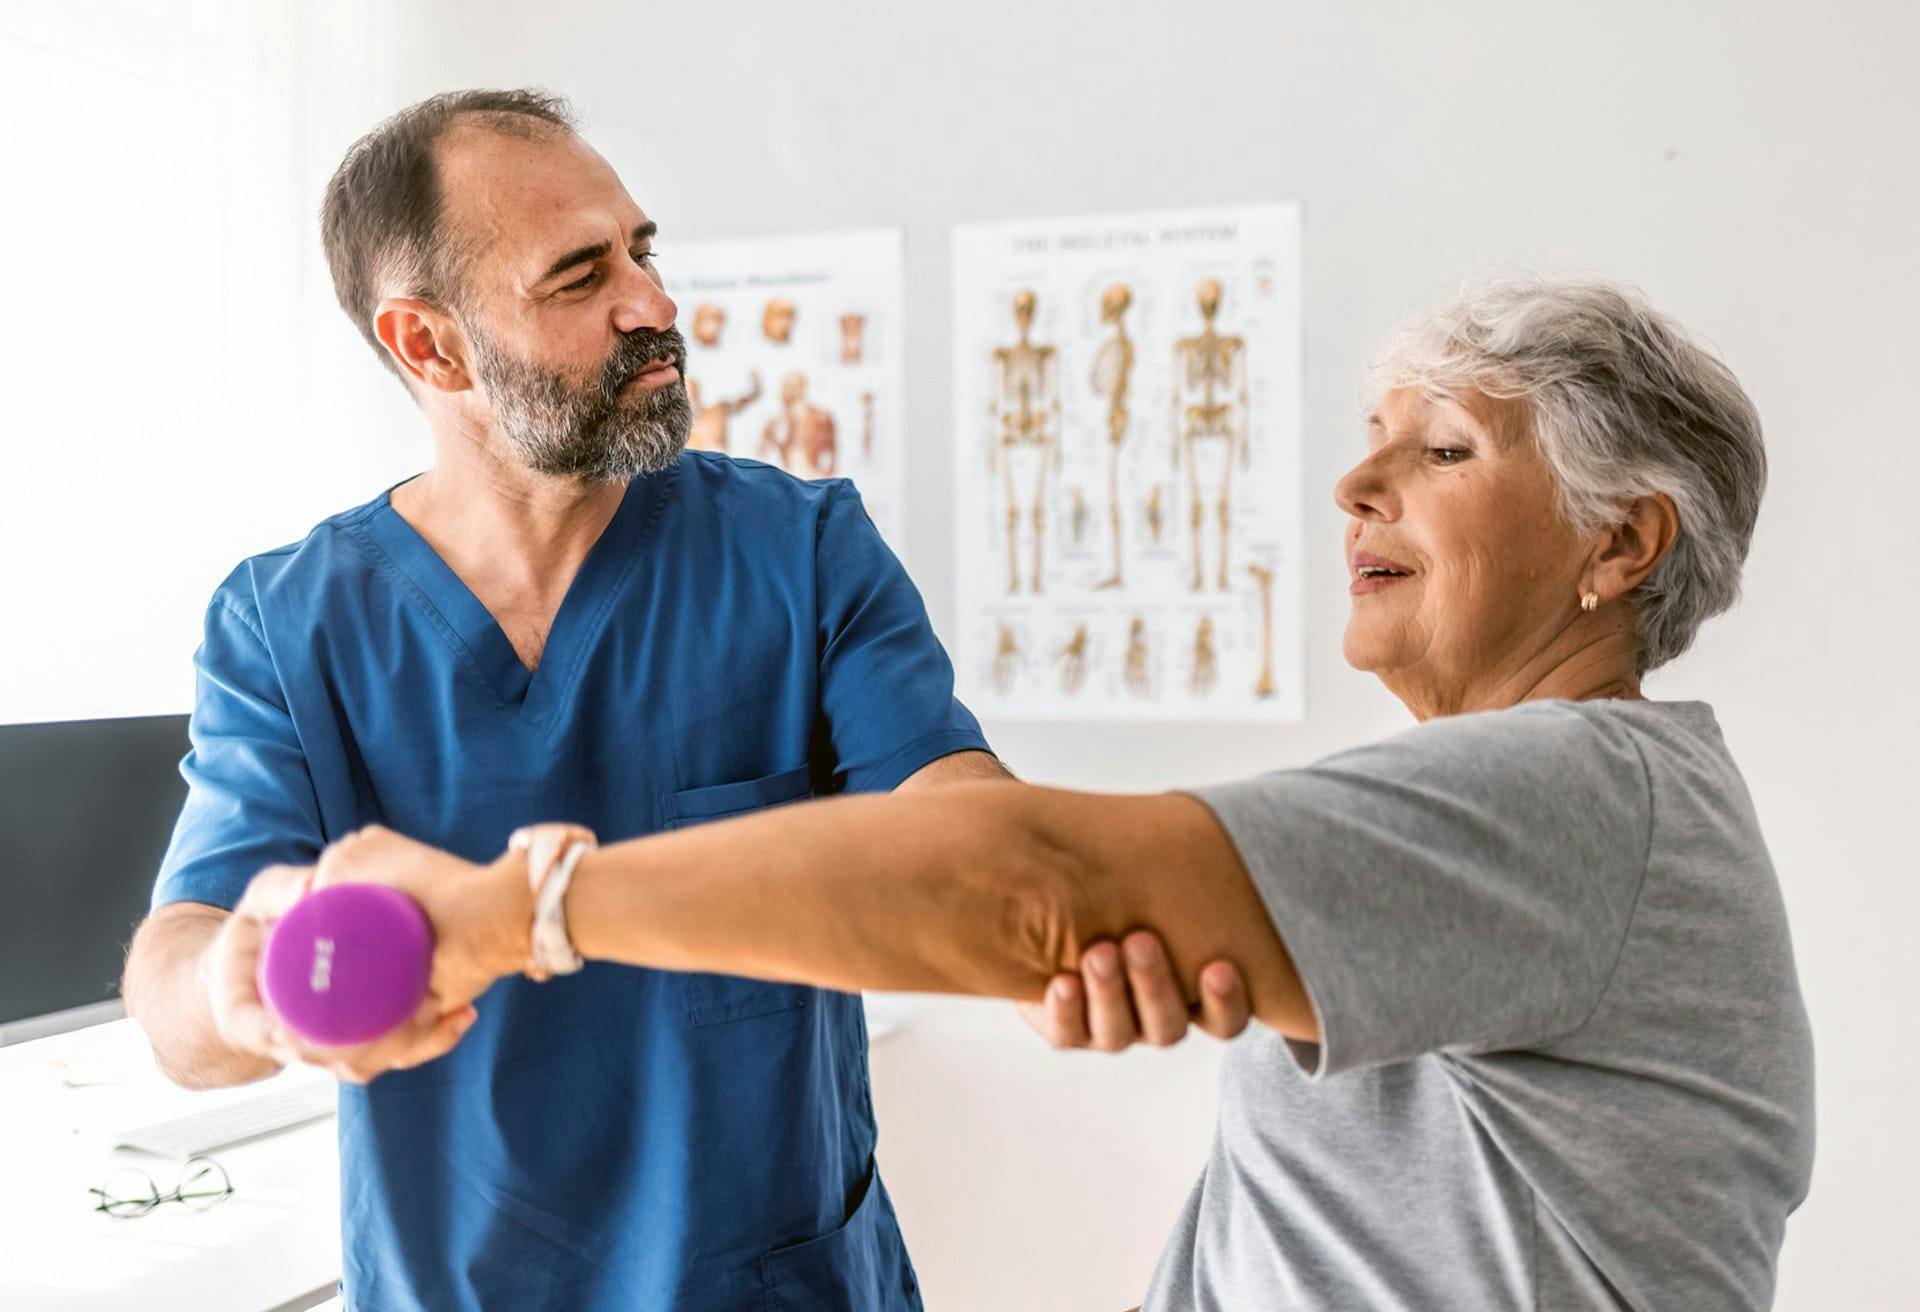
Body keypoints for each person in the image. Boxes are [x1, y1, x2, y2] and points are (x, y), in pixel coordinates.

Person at [280, 275, 1816, 1309]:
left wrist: (514, 909)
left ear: (1624, 550)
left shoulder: (1572, 794)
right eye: (1369, 445)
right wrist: (1073, 936)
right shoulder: (1540, 813)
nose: (1356, 487)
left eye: (1445, 449)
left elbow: (1026, 884)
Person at [120, 89, 1234, 1312]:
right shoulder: (290, 626)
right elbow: (178, 991)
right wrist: (239, 985)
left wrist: (1058, 923)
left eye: (643, 251)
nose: (652, 305)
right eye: (579, 275)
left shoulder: (802, 552)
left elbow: (964, 831)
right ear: (428, 347)